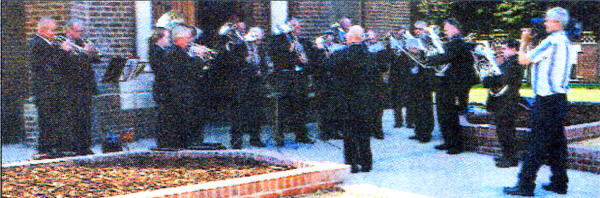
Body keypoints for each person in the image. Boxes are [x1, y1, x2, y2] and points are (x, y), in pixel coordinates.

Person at [504, 7, 575, 196]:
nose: (544, 23)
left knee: (536, 144)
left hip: (546, 102)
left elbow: (523, 60)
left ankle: (525, 186)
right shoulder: (566, 41)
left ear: (555, 22)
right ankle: (559, 183)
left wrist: (524, 42)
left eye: (547, 20)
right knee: (557, 144)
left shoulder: (551, 42)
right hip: (559, 100)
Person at [425, 18, 477, 154]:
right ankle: (448, 141)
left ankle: (456, 145)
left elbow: (447, 57)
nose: (445, 32)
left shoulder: (458, 42)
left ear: (455, 28)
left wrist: (429, 60)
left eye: (447, 29)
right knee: (443, 113)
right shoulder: (452, 42)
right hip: (446, 82)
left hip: (455, 83)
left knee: (450, 114)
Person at [328, 25, 375, 173]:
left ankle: (352, 164)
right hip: (364, 98)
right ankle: (366, 163)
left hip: (347, 98)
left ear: (350, 37)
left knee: (349, 132)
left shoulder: (341, 54)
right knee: (364, 132)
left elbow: (328, 67)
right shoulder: (369, 54)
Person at [29, 17, 78, 157]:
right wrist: (62, 50)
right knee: (46, 120)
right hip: (45, 90)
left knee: (55, 119)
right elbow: (49, 65)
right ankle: (45, 149)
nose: (55, 33)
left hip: (54, 90)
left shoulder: (48, 44)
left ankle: (55, 147)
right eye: (52, 30)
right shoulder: (36, 44)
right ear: (43, 30)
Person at [269, 17, 314, 146]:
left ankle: (301, 135)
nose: (298, 29)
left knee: (301, 107)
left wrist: (305, 60)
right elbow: (276, 58)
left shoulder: (302, 41)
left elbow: (308, 57)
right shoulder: (278, 40)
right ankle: (279, 136)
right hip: (285, 78)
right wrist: (289, 50)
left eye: (298, 27)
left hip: (299, 77)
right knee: (282, 108)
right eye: (295, 27)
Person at [164, 25, 210, 149]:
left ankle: (193, 143)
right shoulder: (175, 53)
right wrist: (199, 57)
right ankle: (190, 145)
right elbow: (189, 69)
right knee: (188, 121)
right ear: (179, 39)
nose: (191, 41)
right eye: (188, 38)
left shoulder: (180, 52)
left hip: (186, 92)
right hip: (182, 93)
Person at [63, 19, 102, 155]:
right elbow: (72, 64)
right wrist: (85, 54)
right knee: (76, 118)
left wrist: (92, 52)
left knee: (86, 118)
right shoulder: (64, 44)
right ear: (69, 31)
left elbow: (96, 59)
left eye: (81, 31)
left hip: (87, 86)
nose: (80, 34)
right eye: (77, 31)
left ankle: (86, 146)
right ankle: (77, 147)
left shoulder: (81, 43)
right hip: (74, 87)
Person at [483, 39, 524, 168]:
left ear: (514, 49)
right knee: (502, 130)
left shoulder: (515, 62)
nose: (502, 51)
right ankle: (506, 156)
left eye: (505, 49)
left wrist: (486, 80)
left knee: (506, 131)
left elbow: (502, 79)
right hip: (503, 100)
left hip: (508, 100)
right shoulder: (508, 62)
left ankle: (510, 159)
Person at [228, 27, 268, 149]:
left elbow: (264, 64)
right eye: (256, 39)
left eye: (259, 39)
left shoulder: (260, 48)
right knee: (238, 113)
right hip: (241, 84)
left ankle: (255, 138)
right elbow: (235, 64)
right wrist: (251, 70)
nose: (258, 42)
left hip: (256, 83)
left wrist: (263, 72)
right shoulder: (239, 46)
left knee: (256, 112)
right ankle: (236, 140)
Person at [407, 21, 435, 142]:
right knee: (416, 105)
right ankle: (418, 131)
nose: (417, 31)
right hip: (415, 76)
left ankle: (426, 133)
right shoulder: (413, 40)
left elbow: (432, 55)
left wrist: (419, 52)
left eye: (419, 29)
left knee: (425, 106)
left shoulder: (429, 41)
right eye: (416, 29)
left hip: (426, 77)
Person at [386, 25, 415, 129]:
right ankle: (398, 121)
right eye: (396, 31)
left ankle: (410, 121)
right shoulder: (390, 42)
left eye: (400, 31)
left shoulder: (409, 41)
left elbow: (412, 57)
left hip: (407, 73)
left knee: (409, 98)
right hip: (395, 74)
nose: (398, 33)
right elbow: (388, 57)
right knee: (396, 98)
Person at [149, 27, 173, 149]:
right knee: (163, 117)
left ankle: (166, 142)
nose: (169, 40)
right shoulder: (156, 51)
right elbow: (162, 69)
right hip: (162, 88)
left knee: (166, 117)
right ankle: (163, 143)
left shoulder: (161, 50)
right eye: (167, 37)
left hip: (164, 87)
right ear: (159, 39)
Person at [364, 30, 387, 139]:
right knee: (366, 106)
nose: (370, 40)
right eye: (368, 37)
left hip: (377, 81)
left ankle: (378, 130)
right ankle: (368, 129)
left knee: (378, 107)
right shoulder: (363, 49)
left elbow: (384, 67)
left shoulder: (381, 49)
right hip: (365, 82)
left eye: (372, 38)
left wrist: (374, 60)